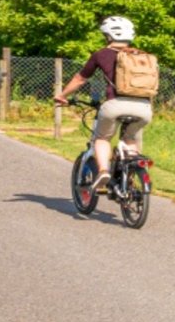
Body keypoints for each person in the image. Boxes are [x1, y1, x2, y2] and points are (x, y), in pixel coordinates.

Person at [54, 16, 155, 193]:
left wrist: (62, 95)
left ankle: (103, 171)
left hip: (115, 105)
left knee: (102, 138)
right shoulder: (143, 56)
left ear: (107, 36)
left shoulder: (101, 54)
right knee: (130, 138)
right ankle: (130, 178)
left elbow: (80, 79)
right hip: (144, 108)